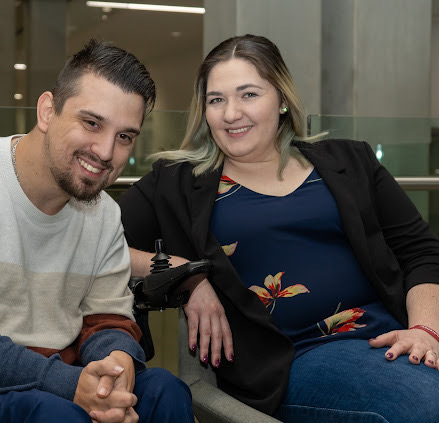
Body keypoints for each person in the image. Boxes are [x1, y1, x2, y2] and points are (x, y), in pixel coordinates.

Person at [118, 34, 439, 422]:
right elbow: (100, 245)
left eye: (249, 94)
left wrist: (424, 330)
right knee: (422, 405)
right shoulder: (176, 183)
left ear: (283, 99)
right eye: (216, 99)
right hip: (296, 359)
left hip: (394, 337)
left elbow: (421, 253)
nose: (231, 113)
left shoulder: (350, 161)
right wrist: (189, 276)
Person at [0, 39, 194, 423]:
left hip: (59, 378)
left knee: (166, 391)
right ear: (48, 111)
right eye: (92, 123)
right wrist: (71, 385)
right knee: (54, 414)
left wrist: (115, 365)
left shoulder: (103, 214)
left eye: (125, 137)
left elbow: (107, 318)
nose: (105, 151)